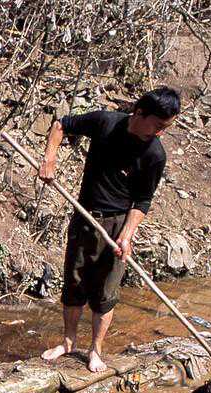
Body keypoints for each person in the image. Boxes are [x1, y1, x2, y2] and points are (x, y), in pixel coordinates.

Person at [38, 86, 178, 373]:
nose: (161, 132)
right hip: (85, 215)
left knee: (105, 292)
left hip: (117, 223)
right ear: (140, 113)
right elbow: (60, 125)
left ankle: (96, 350)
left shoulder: (154, 154)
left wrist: (126, 235)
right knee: (74, 283)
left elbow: (142, 200)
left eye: (166, 127)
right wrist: (49, 159)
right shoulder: (106, 123)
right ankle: (67, 342)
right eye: (159, 125)